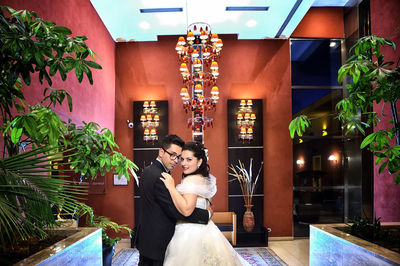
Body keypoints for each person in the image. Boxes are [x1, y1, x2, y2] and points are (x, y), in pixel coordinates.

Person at [160, 141, 249, 266]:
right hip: (207, 230)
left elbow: (186, 210)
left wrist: (171, 187)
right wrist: (208, 213)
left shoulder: (191, 180)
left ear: (200, 161)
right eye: (182, 159)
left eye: (189, 159)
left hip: (189, 234)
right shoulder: (203, 178)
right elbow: (210, 207)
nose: (184, 163)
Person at [136, 135, 211, 266]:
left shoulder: (149, 170)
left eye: (178, 157)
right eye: (173, 155)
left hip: (147, 238)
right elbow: (175, 210)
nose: (176, 161)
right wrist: (206, 214)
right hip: (157, 241)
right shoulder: (160, 176)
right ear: (161, 152)